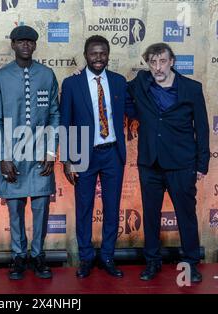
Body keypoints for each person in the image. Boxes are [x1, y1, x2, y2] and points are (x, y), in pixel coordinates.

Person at [127, 42, 210, 283]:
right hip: (150, 163)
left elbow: (202, 129)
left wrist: (201, 164)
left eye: (162, 61)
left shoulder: (191, 89)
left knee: (186, 216)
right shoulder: (141, 83)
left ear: (172, 61)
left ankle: (191, 263)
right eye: (152, 62)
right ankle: (152, 262)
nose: (157, 67)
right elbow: (115, 90)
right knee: (150, 216)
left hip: (182, 164)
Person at [60, 35, 135, 278]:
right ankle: (85, 258)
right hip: (84, 154)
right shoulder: (71, 84)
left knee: (112, 208)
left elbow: (132, 109)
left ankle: (107, 257)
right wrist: (68, 159)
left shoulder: (119, 81)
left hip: (112, 153)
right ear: (86, 55)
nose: (99, 58)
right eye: (94, 53)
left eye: (103, 53)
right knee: (84, 208)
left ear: (108, 55)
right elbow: (66, 122)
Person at [0, 25, 60, 280]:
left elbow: (54, 114)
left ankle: (38, 255)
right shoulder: (0, 76)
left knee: (41, 207)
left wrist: (51, 152)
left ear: (35, 45)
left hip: (41, 154)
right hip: (13, 155)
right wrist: (3, 157)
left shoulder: (47, 74)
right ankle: (19, 256)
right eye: (21, 41)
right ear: (13, 45)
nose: (26, 46)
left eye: (30, 41)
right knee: (15, 209)